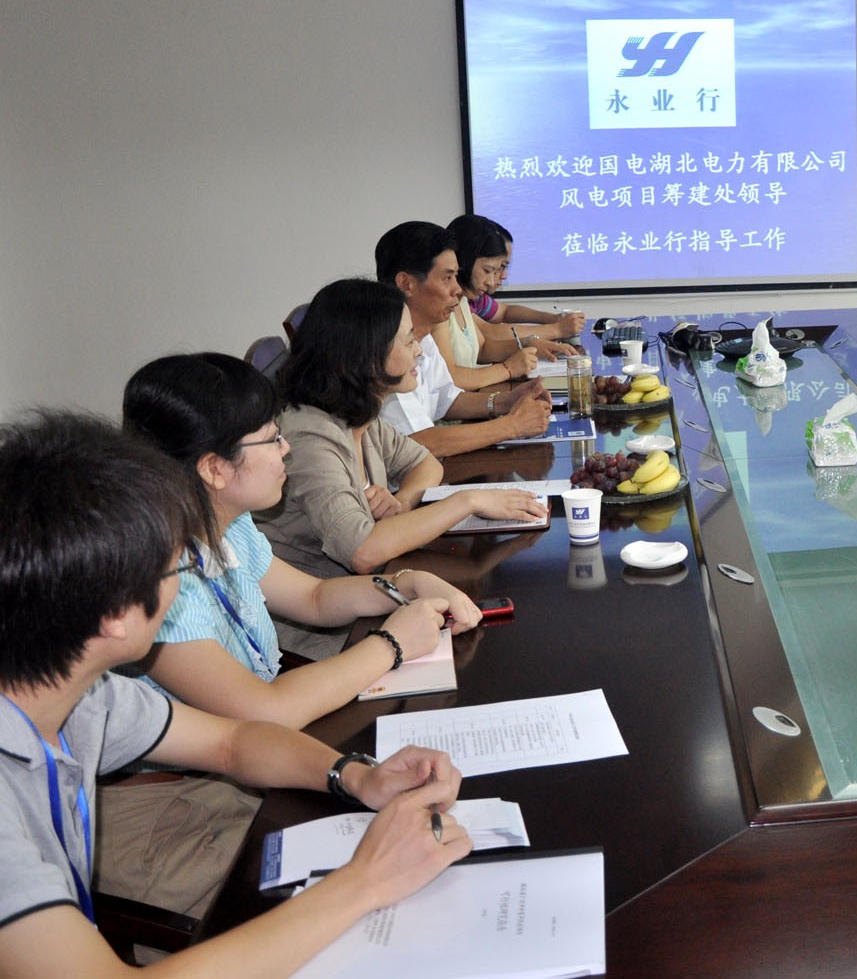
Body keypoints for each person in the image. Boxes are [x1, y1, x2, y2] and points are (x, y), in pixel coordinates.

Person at [0, 411, 470, 976]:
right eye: (177, 567)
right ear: (115, 618)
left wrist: (354, 775)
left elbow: (232, 743)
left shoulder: (79, 692)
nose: (186, 580)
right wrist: (365, 881)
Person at [122, 352, 480, 726]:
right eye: (272, 439)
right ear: (215, 468)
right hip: (223, 755)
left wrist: (406, 582)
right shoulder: (156, 582)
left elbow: (314, 598)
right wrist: (392, 644)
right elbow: (267, 711)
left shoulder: (229, 525)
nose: (286, 448)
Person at [261, 278, 547, 658]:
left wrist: (404, 501)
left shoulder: (359, 414)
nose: (420, 352)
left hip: (371, 598)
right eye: (409, 340)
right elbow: (363, 551)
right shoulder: (311, 434)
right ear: (366, 355)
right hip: (322, 638)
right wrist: (468, 501)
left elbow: (423, 462)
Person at [375, 221, 552, 457]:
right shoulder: (386, 348)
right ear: (406, 283)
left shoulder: (423, 337)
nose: (458, 289)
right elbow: (419, 443)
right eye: (447, 278)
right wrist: (512, 425)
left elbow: (447, 400)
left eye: (456, 277)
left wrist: (506, 401)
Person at [444, 214, 584, 364]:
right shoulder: (444, 303)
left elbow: (499, 320)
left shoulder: (464, 300)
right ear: (463, 261)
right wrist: (556, 330)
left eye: (500, 268)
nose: (495, 279)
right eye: (489, 270)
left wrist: (537, 335)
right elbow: (489, 334)